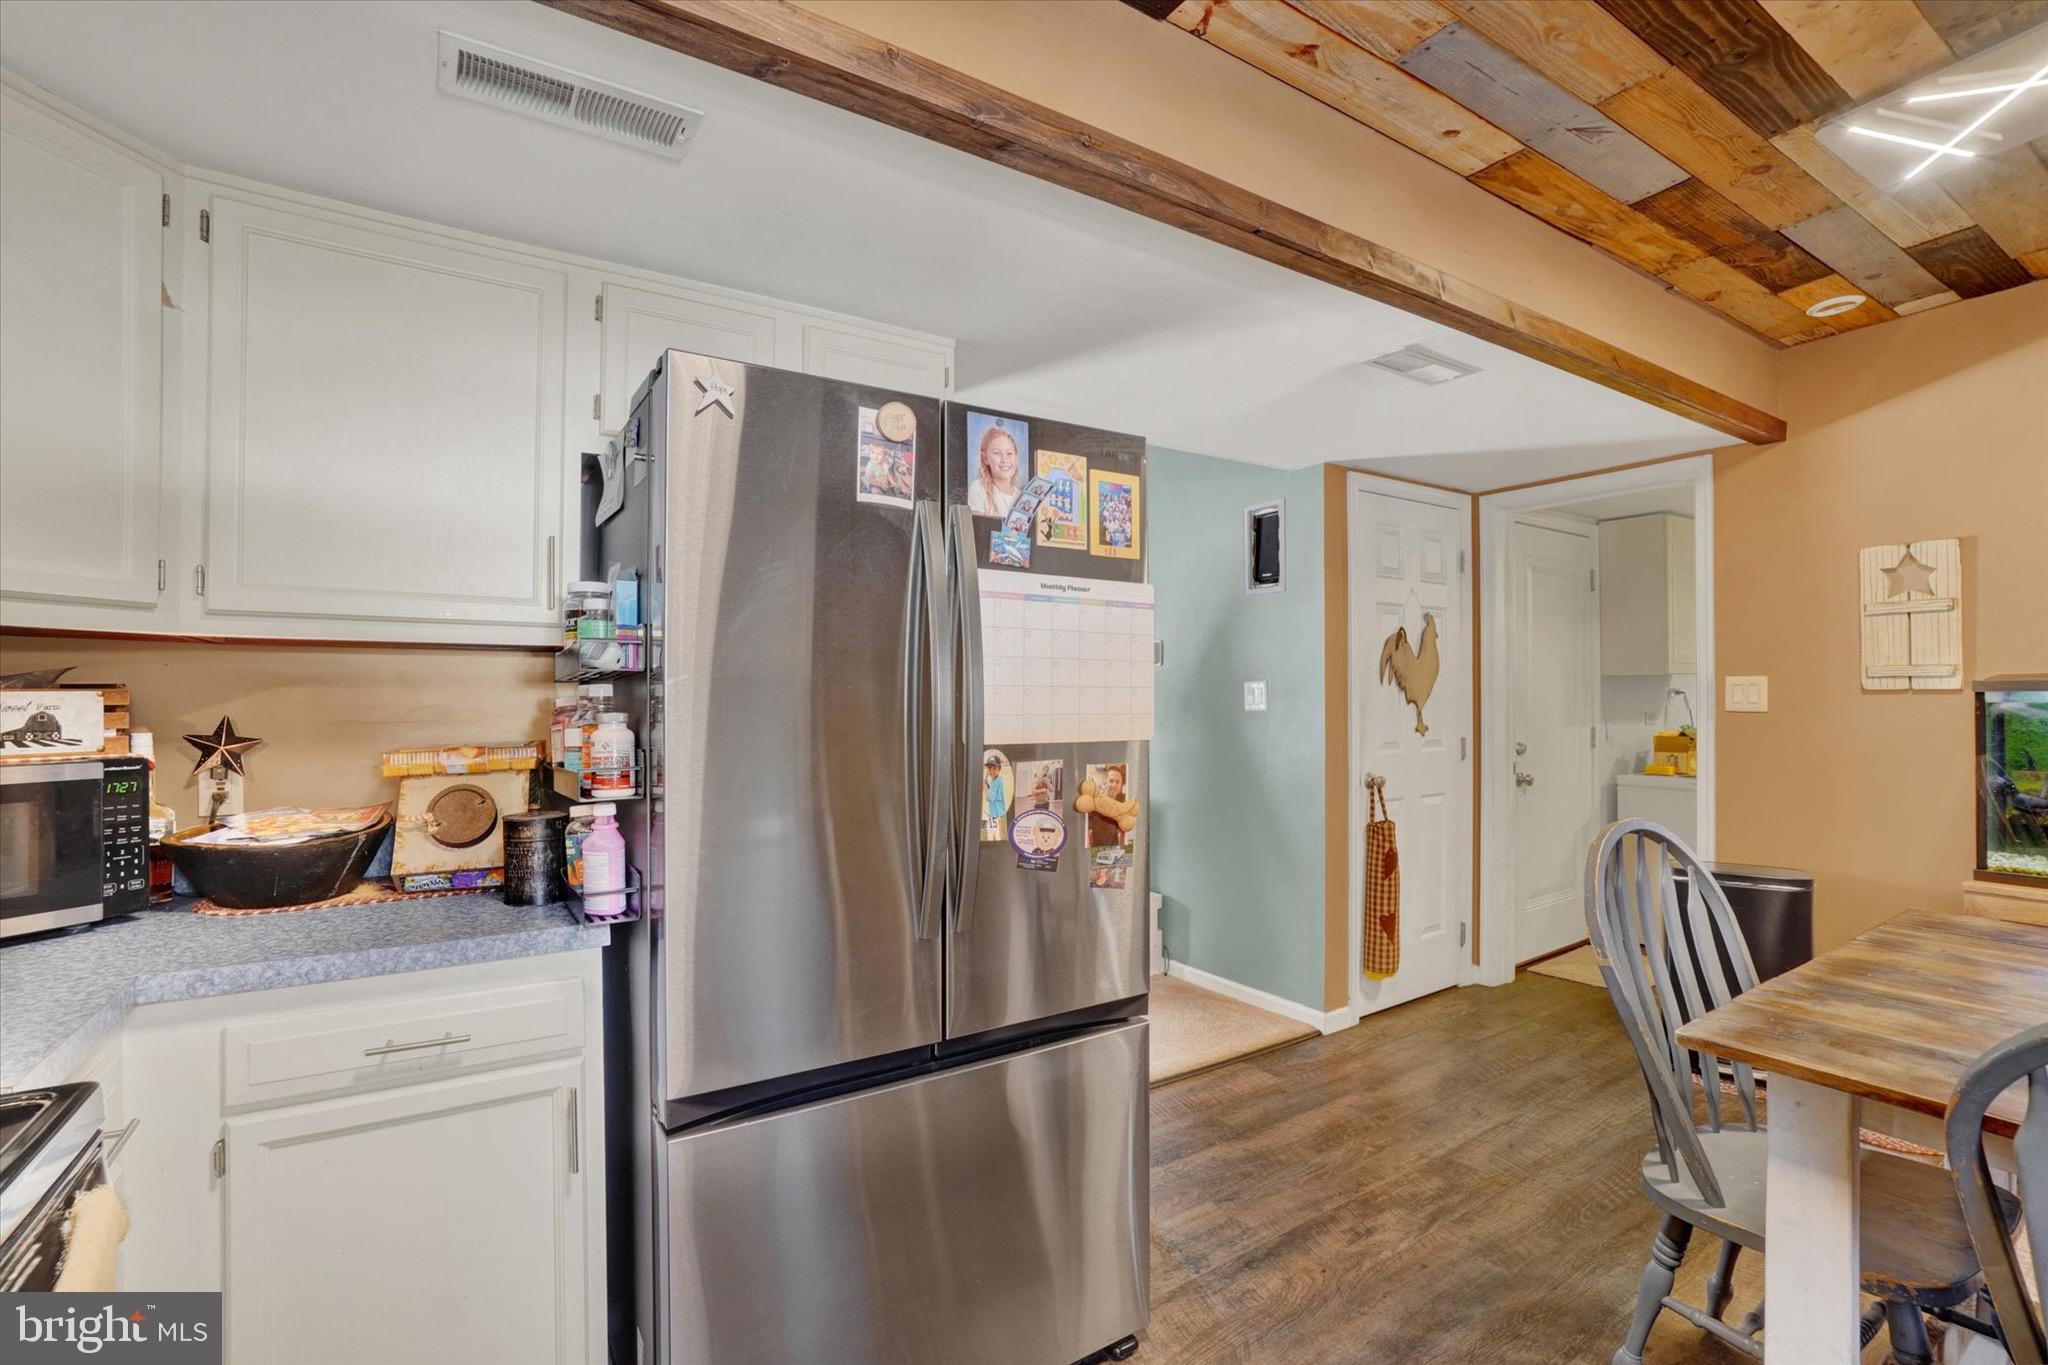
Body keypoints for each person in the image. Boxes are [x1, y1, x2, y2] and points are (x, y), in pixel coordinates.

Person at [966, 425, 1022, 517]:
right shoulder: (978, 489)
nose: (1004, 460)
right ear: (985, 458)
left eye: (1009, 453)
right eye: (996, 453)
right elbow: (978, 529)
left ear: (1016, 457)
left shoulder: (1021, 497)